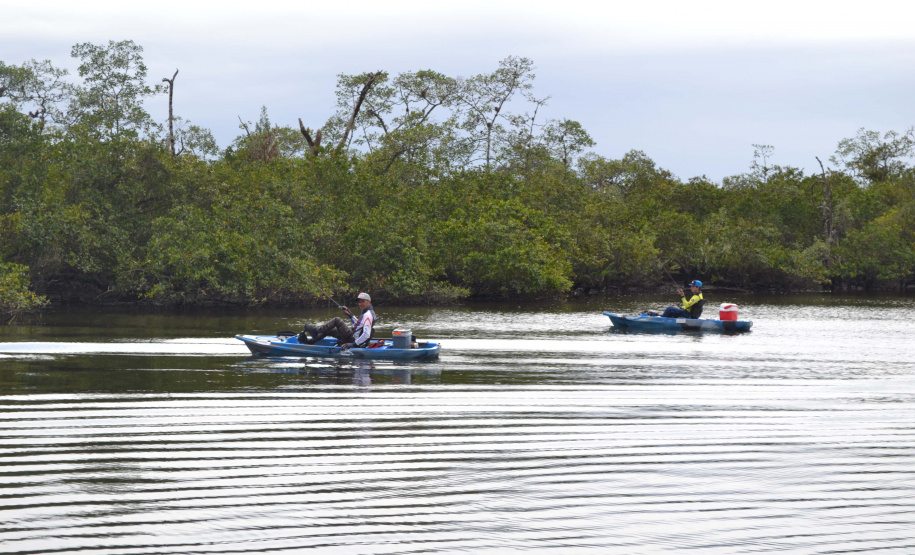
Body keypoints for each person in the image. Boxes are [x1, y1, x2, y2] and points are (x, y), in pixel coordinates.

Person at [299, 292, 376, 349]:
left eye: (363, 302)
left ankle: (316, 331)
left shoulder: (368, 315)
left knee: (337, 320)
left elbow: (366, 334)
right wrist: (350, 315)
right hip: (352, 335)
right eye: (359, 302)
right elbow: (359, 325)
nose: (360, 304)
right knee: (329, 329)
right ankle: (309, 342)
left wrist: (353, 344)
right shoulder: (366, 312)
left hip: (352, 338)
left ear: (368, 302)